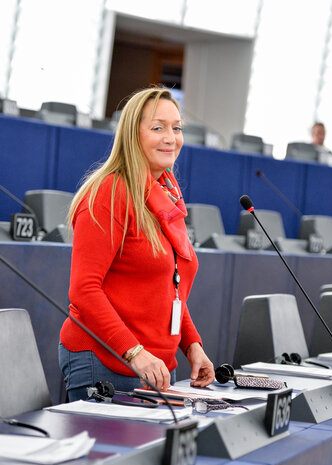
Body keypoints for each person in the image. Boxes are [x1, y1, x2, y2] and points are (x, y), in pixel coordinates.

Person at [59, 86, 215, 401]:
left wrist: (192, 345)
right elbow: (84, 290)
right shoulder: (109, 192)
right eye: (158, 127)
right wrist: (135, 353)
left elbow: (170, 287)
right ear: (133, 135)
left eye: (176, 127)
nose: (171, 137)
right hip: (105, 363)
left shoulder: (166, 199)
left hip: (156, 368)